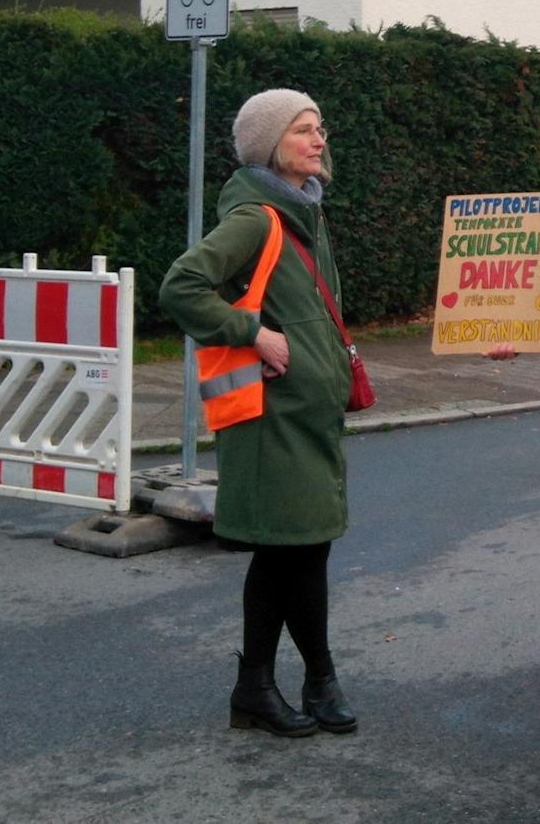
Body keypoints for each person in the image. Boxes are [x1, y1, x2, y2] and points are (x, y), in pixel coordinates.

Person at [159, 89, 358, 739]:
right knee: (290, 550)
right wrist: (252, 332)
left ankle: (280, 684)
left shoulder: (305, 213)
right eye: (303, 129)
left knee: (301, 550)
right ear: (271, 145)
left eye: (319, 127)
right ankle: (294, 681)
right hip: (272, 418)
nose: (318, 139)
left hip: (305, 415)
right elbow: (181, 286)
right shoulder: (257, 218)